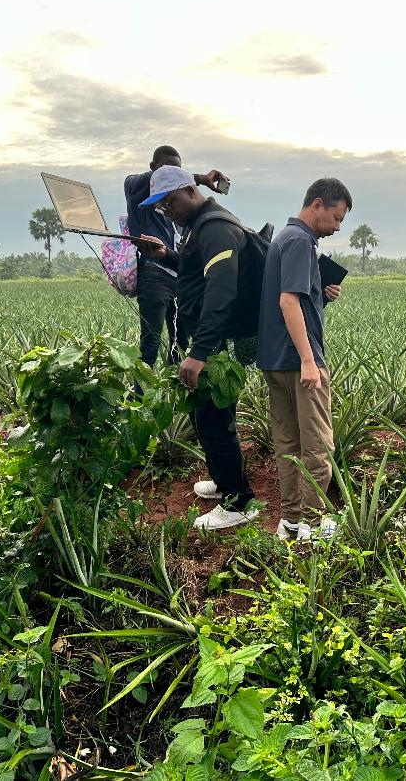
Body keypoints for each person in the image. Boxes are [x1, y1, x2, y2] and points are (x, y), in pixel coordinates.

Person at [134, 165, 261, 530]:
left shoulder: (216, 228)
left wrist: (200, 352)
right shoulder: (197, 228)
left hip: (217, 345)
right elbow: (197, 275)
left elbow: (221, 291)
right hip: (209, 341)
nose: (166, 210)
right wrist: (166, 256)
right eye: (160, 206)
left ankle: (240, 501)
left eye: (169, 202)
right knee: (204, 414)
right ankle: (224, 484)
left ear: (191, 191)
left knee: (215, 417)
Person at [257, 178, 351, 542]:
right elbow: (288, 302)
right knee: (317, 443)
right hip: (299, 362)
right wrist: (309, 361)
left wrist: (320, 294)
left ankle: (291, 520)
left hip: (276, 359)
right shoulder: (300, 241)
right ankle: (312, 523)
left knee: (287, 442)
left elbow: (295, 298)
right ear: (317, 204)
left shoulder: (284, 238)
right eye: (337, 217)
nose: (337, 227)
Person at [124, 146, 226, 368]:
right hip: (154, 273)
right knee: (150, 343)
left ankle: (173, 396)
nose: (165, 209)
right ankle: (140, 401)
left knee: (179, 342)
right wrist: (198, 178)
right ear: (152, 167)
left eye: (176, 171)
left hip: (176, 270)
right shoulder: (135, 185)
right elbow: (164, 180)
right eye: (164, 169)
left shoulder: (181, 213)